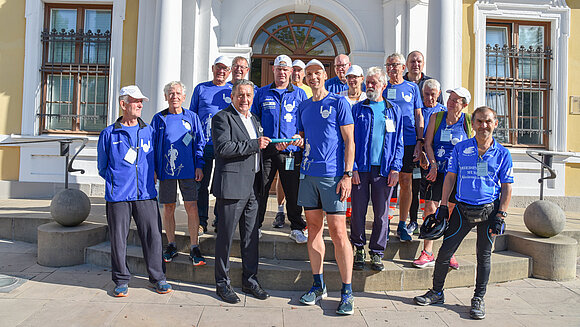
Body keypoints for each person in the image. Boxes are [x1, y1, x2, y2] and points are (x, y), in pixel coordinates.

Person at [413, 106, 513, 320]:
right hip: (462, 208)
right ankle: (437, 292)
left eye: (487, 121)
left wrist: (501, 214)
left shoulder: (503, 153)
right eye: (479, 121)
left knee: (483, 256)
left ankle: (478, 298)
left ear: (495, 124)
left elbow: (506, 186)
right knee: (444, 253)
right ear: (473, 124)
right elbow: (450, 177)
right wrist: (442, 205)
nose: (483, 125)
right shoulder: (461, 148)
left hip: (488, 210)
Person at [292, 59, 355, 315]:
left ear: (324, 74)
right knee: (314, 230)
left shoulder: (339, 103)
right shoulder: (304, 106)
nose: (313, 77)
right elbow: (302, 137)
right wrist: (294, 142)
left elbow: (349, 141)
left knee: (339, 232)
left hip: (333, 177)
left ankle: (347, 291)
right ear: (305, 78)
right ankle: (318, 285)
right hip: (308, 175)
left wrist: (348, 175)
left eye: (317, 73)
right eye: (309, 74)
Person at [97, 85, 172, 297]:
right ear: (123, 104)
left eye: (141, 102)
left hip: (146, 194)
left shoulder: (148, 131)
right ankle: (121, 280)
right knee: (118, 239)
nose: (140, 105)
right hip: (119, 196)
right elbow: (102, 166)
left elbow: (156, 160)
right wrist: (119, 181)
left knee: (154, 237)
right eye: (135, 101)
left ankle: (158, 278)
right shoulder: (109, 134)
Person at [211, 79, 271, 304]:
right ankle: (222, 283)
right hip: (232, 188)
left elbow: (259, 146)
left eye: (248, 95)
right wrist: (256, 144)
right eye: (241, 95)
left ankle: (250, 280)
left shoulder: (253, 119)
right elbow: (224, 148)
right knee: (225, 238)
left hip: (253, 188)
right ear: (232, 97)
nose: (245, 99)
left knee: (250, 238)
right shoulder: (222, 118)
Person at [413, 86, 473, 270]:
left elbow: (471, 145)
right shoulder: (436, 117)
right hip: (436, 171)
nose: (451, 102)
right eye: (450, 99)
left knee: (452, 211)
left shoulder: (468, 121)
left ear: (464, 105)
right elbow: (428, 143)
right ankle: (427, 252)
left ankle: (449, 252)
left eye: (456, 100)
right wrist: (432, 163)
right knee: (431, 207)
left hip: (457, 174)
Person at [350, 67, 403, 271]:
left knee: (381, 213)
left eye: (374, 82)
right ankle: (359, 248)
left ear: (383, 85)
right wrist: (352, 168)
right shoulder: (358, 109)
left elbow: (398, 142)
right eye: (368, 83)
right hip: (361, 169)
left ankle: (377, 252)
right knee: (358, 212)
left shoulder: (393, 110)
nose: (370, 86)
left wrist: (396, 168)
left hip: (384, 170)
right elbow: (350, 141)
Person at [252, 55, 308, 243]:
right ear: (273, 70)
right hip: (267, 150)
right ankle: (255, 226)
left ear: (291, 72)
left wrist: (299, 137)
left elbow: (305, 122)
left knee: (293, 190)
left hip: (290, 151)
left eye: (286, 69)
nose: (282, 73)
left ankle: (297, 227)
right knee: (262, 188)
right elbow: (254, 120)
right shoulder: (262, 93)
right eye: (278, 69)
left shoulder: (300, 94)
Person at [151, 81, 206, 266]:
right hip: (166, 171)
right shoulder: (159, 119)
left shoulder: (192, 117)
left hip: (189, 170)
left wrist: (199, 165)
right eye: (171, 94)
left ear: (184, 97)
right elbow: (151, 146)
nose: (174, 97)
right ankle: (171, 244)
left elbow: (199, 142)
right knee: (168, 207)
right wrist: (154, 169)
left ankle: (194, 247)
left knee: (191, 206)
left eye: (178, 94)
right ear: (166, 97)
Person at [382, 53, 424, 242]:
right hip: (386, 142)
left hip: (407, 141)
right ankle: (382, 223)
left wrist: (419, 141)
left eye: (395, 65)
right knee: (384, 182)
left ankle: (402, 224)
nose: (392, 68)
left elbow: (418, 115)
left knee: (406, 182)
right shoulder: (382, 87)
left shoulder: (412, 88)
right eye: (388, 65)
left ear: (402, 67)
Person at [190, 56, 232, 233]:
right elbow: (192, 116)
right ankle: (201, 221)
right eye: (218, 68)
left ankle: (219, 219)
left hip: (225, 145)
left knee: (222, 185)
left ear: (229, 72)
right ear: (212, 68)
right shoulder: (201, 88)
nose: (221, 71)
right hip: (204, 144)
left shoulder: (233, 89)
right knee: (202, 184)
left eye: (225, 69)